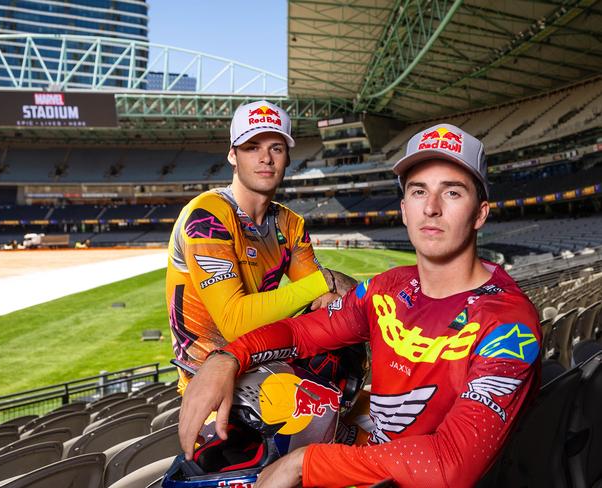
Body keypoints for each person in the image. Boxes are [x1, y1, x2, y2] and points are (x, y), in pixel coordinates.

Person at [178, 123, 542, 487]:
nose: (431, 208)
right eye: (419, 191)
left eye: (452, 193)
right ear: (403, 209)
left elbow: (451, 467)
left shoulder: (509, 324)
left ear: (479, 213)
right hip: (379, 466)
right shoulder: (384, 290)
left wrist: (303, 463)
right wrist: (227, 359)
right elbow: (300, 332)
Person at [166, 100, 355, 393]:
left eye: (276, 148)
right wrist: (325, 279)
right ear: (232, 155)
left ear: (287, 158)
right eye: (252, 147)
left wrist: (326, 291)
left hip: (263, 370)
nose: (265, 158)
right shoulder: (207, 215)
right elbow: (235, 321)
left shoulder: (289, 223)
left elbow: (324, 299)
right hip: (207, 385)